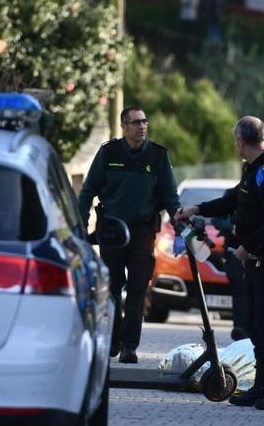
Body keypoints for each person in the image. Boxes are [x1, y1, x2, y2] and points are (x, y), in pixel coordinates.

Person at [174, 116, 264, 411]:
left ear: (241, 141)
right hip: (254, 262)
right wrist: (198, 208)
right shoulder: (253, 171)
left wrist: (246, 247)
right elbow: (232, 201)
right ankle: (262, 385)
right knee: (254, 324)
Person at [78, 106, 180, 364]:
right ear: (124, 127)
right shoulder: (109, 152)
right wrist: (81, 223)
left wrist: (182, 229)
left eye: (145, 122)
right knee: (112, 287)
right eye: (135, 123)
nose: (142, 127)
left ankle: (129, 345)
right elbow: (88, 190)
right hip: (111, 230)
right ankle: (112, 339)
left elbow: (170, 197)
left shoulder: (158, 156)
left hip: (142, 231)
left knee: (137, 289)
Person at [211, 188, 249, 341]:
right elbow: (216, 219)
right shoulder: (233, 194)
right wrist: (230, 226)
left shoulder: (261, 194)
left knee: (251, 291)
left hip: (255, 251)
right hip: (233, 252)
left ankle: (251, 330)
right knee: (239, 289)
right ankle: (240, 329)